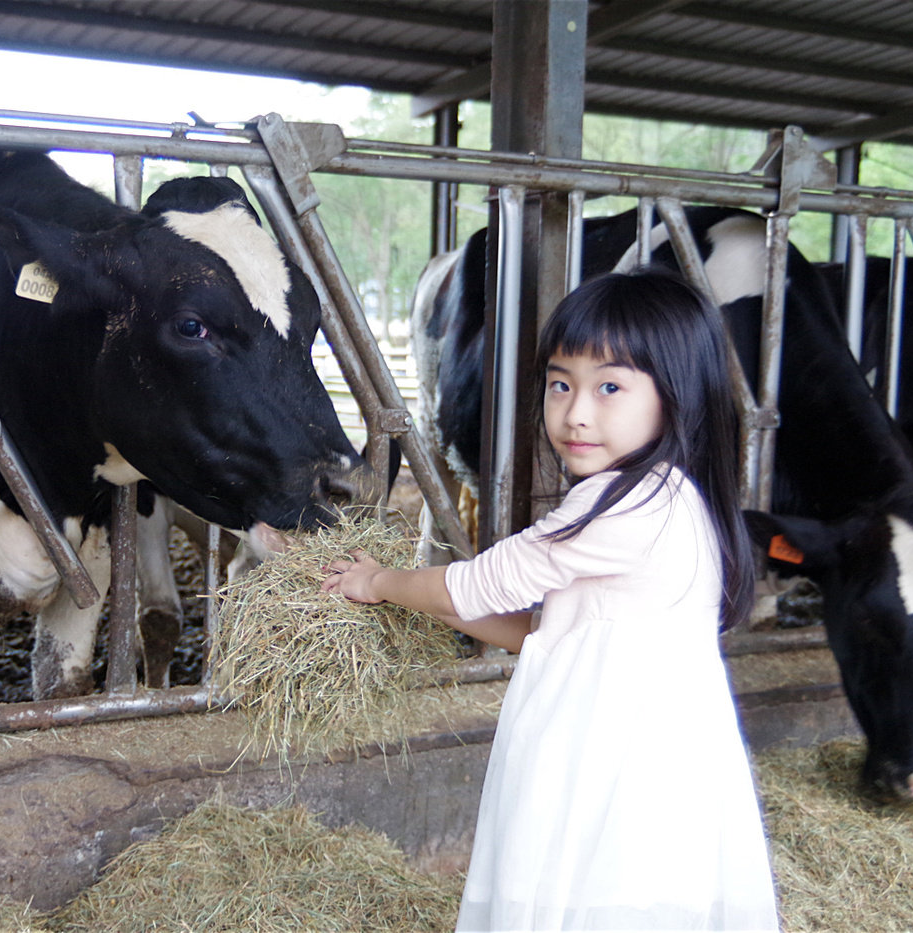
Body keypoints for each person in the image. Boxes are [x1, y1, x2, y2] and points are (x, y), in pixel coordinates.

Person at [322, 270, 780, 932]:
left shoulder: (621, 504)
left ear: (677, 396)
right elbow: (549, 629)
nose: (576, 411)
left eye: (610, 386)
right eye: (561, 383)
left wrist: (379, 582)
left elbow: (478, 583)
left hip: (602, 763)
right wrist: (426, 608)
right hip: (666, 766)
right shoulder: (682, 497)